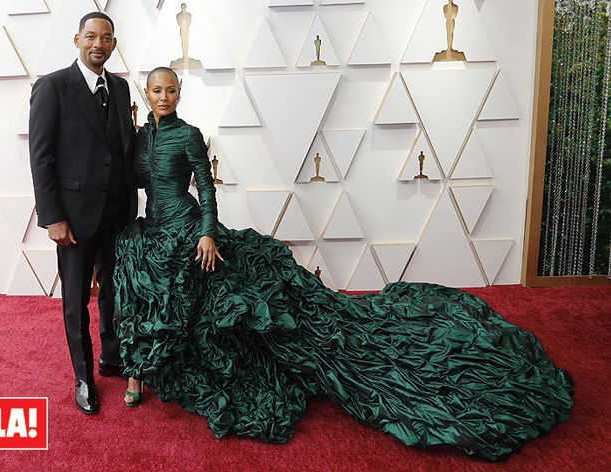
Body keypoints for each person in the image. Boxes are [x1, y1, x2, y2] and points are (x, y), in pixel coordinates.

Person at [113, 67, 574, 460]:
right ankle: (137, 376)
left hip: (192, 231)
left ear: (179, 93)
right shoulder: (140, 138)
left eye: (172, 89)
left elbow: (207, 188)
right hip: (153, 231)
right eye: (157, 90)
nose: (165, 96)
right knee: (137, 283)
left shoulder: (189, 134)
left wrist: (208, 232)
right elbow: (138, 182)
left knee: (234, 305)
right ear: (146, 94)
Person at [29, 12, 137, 415]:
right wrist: (52, 216)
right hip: (73, 218)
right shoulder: (53, 87)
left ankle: (112, 358)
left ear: (113, 43)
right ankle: (83, 377)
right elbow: (40, 158)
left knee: (113, 293)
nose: (98, 44)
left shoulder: (122, 88)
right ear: (77, 39)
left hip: (116, 213)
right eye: (90, 36)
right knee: (76, 300)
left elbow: (123, 149)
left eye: (106, 38)